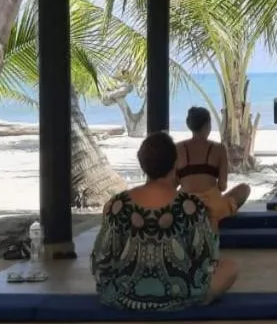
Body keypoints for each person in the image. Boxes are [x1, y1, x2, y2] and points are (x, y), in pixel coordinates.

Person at [91, 132, 238, 311]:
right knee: (230, 267)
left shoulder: (116, 205)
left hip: (123, 297)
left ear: (142, 165)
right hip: (180, 296)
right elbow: (208, 261)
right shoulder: (190, 205)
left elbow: (101, 259)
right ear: (175, 165)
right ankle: (196, 299)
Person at [175, 106, 250, 230]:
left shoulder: (177, 148)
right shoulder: (218, 149)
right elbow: (222, 186)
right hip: (211, 208)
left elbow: (173, 183)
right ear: (207, 125)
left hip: (185, 207)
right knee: (245, 189)